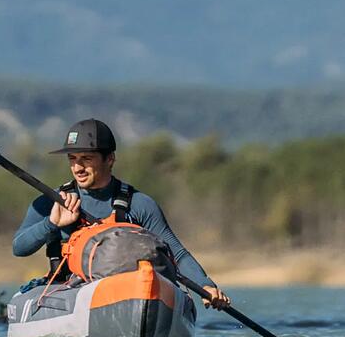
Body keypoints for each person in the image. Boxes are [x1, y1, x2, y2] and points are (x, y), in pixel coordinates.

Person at [12, 117, 230, 309]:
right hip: (68, 290)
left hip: (129, 292)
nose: (77, 167)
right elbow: (19, 248)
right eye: (72, 159)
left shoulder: (139, 205)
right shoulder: (52, 202)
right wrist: (51, 224)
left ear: (109, 159)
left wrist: (206, 285)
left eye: (86, 159)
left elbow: (177, 254)